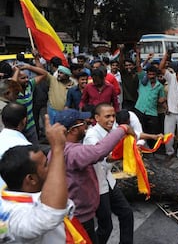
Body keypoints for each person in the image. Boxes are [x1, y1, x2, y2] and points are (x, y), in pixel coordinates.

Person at [53, 108, 135, 243]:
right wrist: (123, 128)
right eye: (83, 123)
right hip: (82, 212)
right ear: (73, 129)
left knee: (124, 214)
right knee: (104, 228)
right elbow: (99, 152)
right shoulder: (73, 151)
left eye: (113, 116)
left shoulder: (65, 148)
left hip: (103, 185)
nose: (86, 125)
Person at [0, 114, 73, 243]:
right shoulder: (11, 216)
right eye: (46, 165)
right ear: (31, 179)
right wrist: (57, 149)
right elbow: (51, 214)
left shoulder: (35, 192)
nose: (52, 166)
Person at [83, 103, 134, 244]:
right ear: (97, 118)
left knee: (126, 213)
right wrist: (126, 154)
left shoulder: (112, 130)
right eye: (107, 116)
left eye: (113, 116)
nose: (112, 119)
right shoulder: (91, 136)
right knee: (106, 226)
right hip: (97, 185)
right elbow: (104, 156)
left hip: (108, 180)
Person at [12, 60, 48, 145]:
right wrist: (17, 71)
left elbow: (44, 74)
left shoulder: (30, 86)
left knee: (35, 149)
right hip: (18, 128)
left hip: (31, 126)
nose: (26, 80)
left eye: (27, 77)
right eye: (23, 78)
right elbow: (12, 84)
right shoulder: (13, 92)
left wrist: (28, 67)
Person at [134, 65, 165, 148]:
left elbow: (161, 98)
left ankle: (152, 151)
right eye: (149, 74)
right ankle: (140, 151)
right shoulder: (142, 82)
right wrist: (138, 53)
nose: (151, 76)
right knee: (140, 132)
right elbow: (139, 68)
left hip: (152, 112)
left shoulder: (160, 86)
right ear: (147, 74)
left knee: (152, 134)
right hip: (139, 110)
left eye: (153, 74)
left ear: (156, 75)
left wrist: (164, 103)